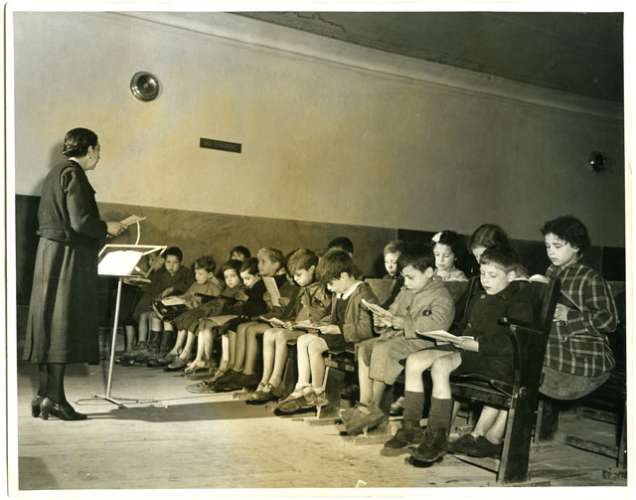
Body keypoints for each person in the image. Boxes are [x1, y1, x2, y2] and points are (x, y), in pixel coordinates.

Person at [395, 246, 534, 464]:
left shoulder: (519, 301)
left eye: (492, 275)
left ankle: (436, 438)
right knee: (414, 360)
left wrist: (476, 344)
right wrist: (449, 338)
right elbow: (466, 328)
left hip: (494, 361)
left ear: (511, 276)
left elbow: (512, 343)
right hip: (468, 349)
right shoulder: (481, 295)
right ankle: (410, 427)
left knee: (441, 366)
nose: (485, 280)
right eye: (483, 273)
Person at [23, 128, 127, 420]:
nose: (99, 156)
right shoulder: (75, 174)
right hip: (66, 257)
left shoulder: (55, 173)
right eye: (98, 150)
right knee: (62, 325)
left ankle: (44, 395)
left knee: (48, 324)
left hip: (49, 255)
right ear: (90, 149)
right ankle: (56, 400)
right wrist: (107, 227)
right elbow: (81, 222)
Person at [341, 246, 455, 435]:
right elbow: (393, 311)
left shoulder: (441, 296)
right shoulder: (406, 290)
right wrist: (383, 320)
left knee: (383, 348)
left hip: (424, 343)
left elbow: (437, 325)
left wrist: (402, 323)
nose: (406, 282)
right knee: (364, 347)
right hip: (400, 339)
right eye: (404, 277)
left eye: (411, 277)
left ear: (428, 272)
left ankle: (374, 407)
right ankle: (364, 403)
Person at [275, 249, 378, 414]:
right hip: (339, 335)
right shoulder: (340, 292)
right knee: (303, 340)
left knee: (314, 345)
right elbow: (333, 317)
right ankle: (302, 386)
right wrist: (319, 324)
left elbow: (367, 328)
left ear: (344, 276)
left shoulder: (363, 293)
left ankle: (317, 392)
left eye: (331, 284)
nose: (329, 289)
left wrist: (339, 329)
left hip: (352, 338)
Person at [539, 215, 618, 400]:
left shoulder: (589, 278)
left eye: (557, 246)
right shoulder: (550, 273)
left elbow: (609, 321)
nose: (551, 252)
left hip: (580, 361)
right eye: (548, 246)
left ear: (575, 246)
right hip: (553, 353)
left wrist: (570, 316)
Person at [246, 248, 331, 404]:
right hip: (297, 327)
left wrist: (297, 320)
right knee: (269, 333)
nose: (296, 279)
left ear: (312, 269)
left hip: (310, 332)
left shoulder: (320, 289)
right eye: (293, 276)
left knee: (280, 335)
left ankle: (275, 381)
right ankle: (264, 380)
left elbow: (319, 318)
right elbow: (291, 312)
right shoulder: (301, 288)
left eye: (299, 275)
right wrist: (279, 318)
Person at [121, 246, 192, 366]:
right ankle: (143, 345)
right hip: (160, 305)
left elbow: (188, 286)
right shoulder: (160, 273)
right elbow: (152, 287)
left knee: (155, 316)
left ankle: (161, 350)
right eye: (168, 262)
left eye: (175, 263)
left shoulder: (185, 273)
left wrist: (172, 289)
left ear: (181, 263)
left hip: (176, 306)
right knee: (144, 315)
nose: (171, 265)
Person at [148, 255, 223, 368]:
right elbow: (187, 295)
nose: (197, 276)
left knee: (189, 320)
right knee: (181, 317)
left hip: (203, 315)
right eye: (195, 273)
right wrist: (175, 299)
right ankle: (176, 349)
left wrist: (193, 304)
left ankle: (184, 352)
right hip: (190, 313)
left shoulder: (214, 287)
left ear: (210, 275)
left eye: (200, 274)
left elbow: (213, 305)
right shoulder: (195, 284)